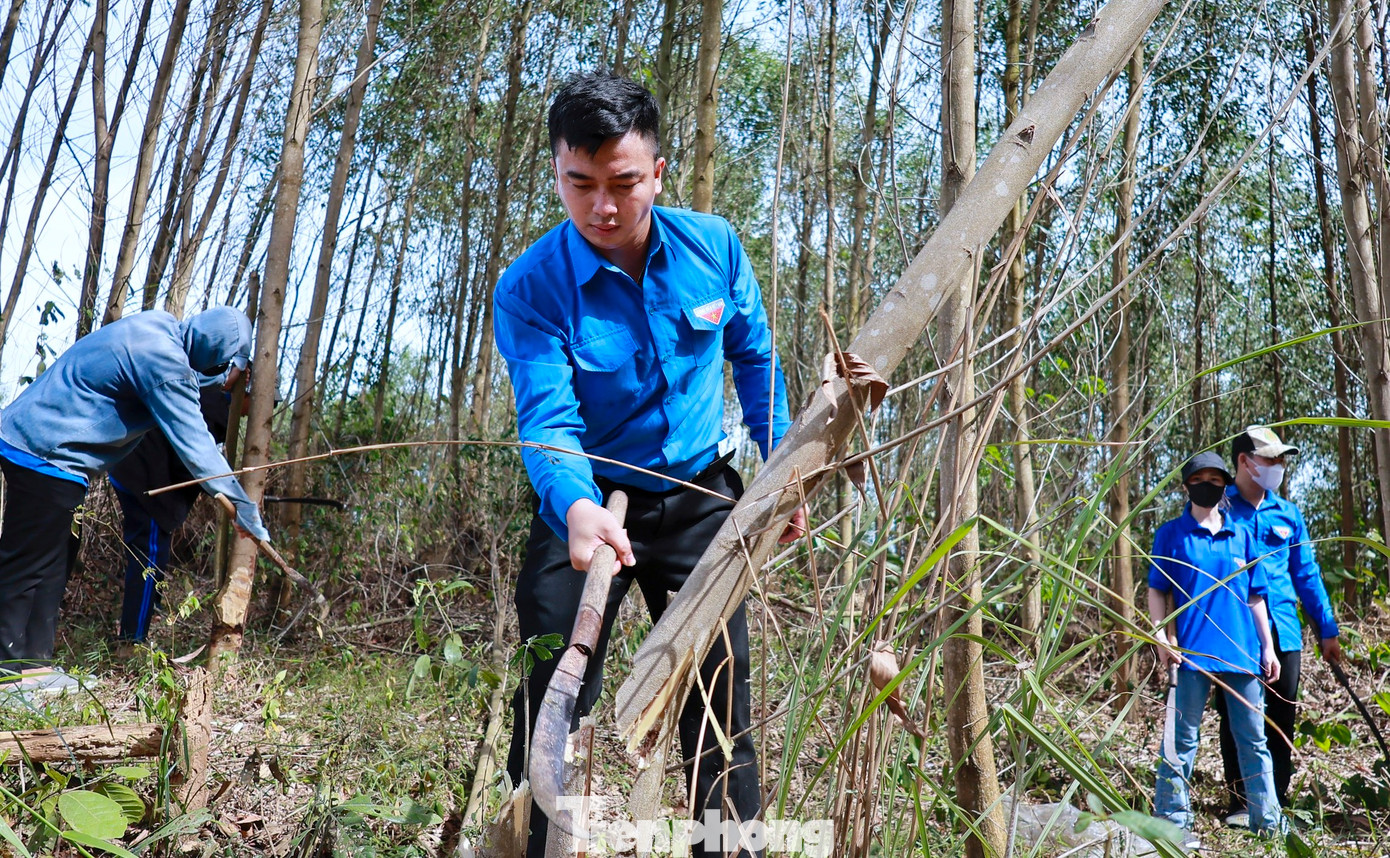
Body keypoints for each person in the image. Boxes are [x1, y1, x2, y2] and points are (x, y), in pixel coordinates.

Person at [493, 72, 803, 857]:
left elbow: (757, 360)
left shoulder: (714, 247)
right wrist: (574, 503)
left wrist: (784, 471)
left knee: (716, 694)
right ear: (557, 175)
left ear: (657, 173)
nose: (602, 206)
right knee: (553, 690)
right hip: (586, 506)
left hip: (699, 495)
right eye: (581, 184)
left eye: (624, 183)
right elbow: (548, 417)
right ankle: (539, 844)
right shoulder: (530, 288)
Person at [0, 307, 269, 696]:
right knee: (27, 563)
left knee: (56, 560)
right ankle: (6, 676)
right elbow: (197, 446)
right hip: (43, 448)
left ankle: (34, 667)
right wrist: (243, 505)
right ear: (216, 354)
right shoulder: (164, 364)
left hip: (58, 457)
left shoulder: (157, 327)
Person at [1148, 451, 1284, 842]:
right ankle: (1172, 823)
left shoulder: (1242, 533)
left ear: (1225, 484)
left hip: (1241, 653)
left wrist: (1268, 647)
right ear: (1188, 484)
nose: (1208, 484)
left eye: (1216, 478)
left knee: (1254, 740)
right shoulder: (1170, 534)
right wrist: (1160, 637)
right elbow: (1157, 592)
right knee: (1181, 740)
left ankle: (1268, 823)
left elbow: (1257, 596)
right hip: (1190, 654)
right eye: (1200, 478)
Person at [1215, 426, 1343, 826]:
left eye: (1281, 459)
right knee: (1237, 714)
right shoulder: (1217, 509)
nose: (1279, 466)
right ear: (1244, 461)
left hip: (1285, 628)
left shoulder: (1288, 514)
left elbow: (1306, 573)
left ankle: (1275, 800)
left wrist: (1327, 628)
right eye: (1271, 459)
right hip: (1234, 631)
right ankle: (1240, 802)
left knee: (1281, 716)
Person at [109, 373, 238, 644]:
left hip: (132, 470)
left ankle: (141, 620)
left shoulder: (207, 395)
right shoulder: (217, 408)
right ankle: (132, 642)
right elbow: (193, 461)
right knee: (149, 558)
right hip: (146, 479)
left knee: (150, 555)